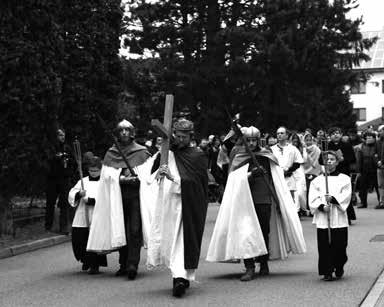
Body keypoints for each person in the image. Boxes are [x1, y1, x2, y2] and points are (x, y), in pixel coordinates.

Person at [206, 126, 306, 281]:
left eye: (254, 140)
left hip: (264, 198)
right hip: (244, 199)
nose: (251, 143)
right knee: (246, 232)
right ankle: (249, 266)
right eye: (248, 140)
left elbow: (276, 177)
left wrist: (279, 199)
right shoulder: (237, 154)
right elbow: (232, 178)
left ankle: (264, 262)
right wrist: (250, 175)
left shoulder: (266, 154)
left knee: (264, 231)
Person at [145, 119, 209, 298]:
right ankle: (179, 275)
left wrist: (174, 178)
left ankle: (179, 278)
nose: (180, 139)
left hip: (187, 206)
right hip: (169, 206)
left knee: (183, 242)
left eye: (184, 137)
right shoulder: (166, 152)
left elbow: (198, 185)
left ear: (191, 136)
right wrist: (159, 173)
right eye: (177, 136)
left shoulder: (197, 155)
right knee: (171, 241)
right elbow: (151, 176)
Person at [86, 119, 151, 280]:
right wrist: (120, 179)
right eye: (121, 130)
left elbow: (148, 174)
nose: (124, 133)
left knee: (134, 230)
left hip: (135, 196)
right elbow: (107, 176)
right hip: (117, 196)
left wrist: (138, 178)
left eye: (127, 130)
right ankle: (123, 264)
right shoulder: (111, 153)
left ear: (132, 133)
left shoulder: (141, 152)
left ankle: (132, 264)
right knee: (119, 228)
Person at [309, 150, 352, 281]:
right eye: (327, 159)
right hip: (324, 217)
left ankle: (339, 265)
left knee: (339, 245)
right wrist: (321, 206)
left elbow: (346, 195)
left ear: (337, 162)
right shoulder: (317, 181)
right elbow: (313, 197)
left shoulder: (344, 179)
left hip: (338, 216)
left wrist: (334, 200)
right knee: (324, 245)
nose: (329, 161)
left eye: (332, 159)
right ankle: (327, 271)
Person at [68, 156, 107, 274]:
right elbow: (72, 193)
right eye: (91, 170)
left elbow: (107, 198)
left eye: (96, 171)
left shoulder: (104, 182)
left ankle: (94, 264)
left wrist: (91, 201)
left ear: (101, 170)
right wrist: (79, 194)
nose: (93, 173)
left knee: (94, 240)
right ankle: (85, 260)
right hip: (82, 215)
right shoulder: (82, 181)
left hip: (97, 214)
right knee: (79, 239)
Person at [45, 128, 73, 234]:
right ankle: (48, 226)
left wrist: (67, 160)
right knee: (50, 202)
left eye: (63, 134)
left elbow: (72, 161)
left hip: (64, 179)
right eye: (60, 135)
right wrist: (58, 158)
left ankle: (63, 227)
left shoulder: (67, 148)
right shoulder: (51, 148)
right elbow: (48, 160)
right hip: (52, 179)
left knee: (64, 203)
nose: (63, 137)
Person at [271, 127, 304, 201]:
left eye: (282, 133)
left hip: (288, 179)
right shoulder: (272, 149)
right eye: (278, 133)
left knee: (290, 201)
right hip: (276, 178)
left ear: (286, 136)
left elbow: (298, 163)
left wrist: (288, 170)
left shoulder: (293, 148)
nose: (279, 135)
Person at [356, 132, 379, 208]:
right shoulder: (362, 147)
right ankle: (363, 202)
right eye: (367, 138)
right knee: (363, 187)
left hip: (375, 169)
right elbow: (359, 159)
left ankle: (381, 202)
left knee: (377, 186)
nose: (368, 139)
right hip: (364, 169)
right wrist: (358, 170)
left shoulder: (377, 146)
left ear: (374, 139)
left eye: (370, 137)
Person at [303, 132, 322, 215]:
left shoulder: (316, 149)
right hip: (303, 172)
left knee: (313, 191)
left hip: (314, 172)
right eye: (306, 140)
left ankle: (313, 209)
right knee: (305, 191)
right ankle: (306, 208)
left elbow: (318, 161)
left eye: (310, 140)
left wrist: (313, 169)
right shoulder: (302, 149)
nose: (308, 142)